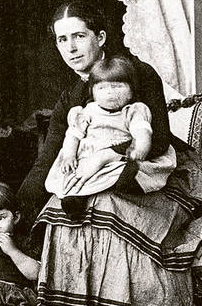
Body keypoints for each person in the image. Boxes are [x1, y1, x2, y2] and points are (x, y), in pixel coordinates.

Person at [19, 0, 202, 306]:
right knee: (59, 206)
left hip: (153, 170)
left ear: (101, 37)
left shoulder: (137, 73)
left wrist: (107, 155)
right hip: (101, 176)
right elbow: (51, 157)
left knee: (106, 205)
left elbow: (157, 139)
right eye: (62, 39)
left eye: (79, 36)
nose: (71, 48)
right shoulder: (72, 96)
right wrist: (22, 203)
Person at [43, 54, 174, 216]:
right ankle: (75, 198)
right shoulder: (87, 112)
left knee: (126, 170)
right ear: (93, 92)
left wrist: (141, 147)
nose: (110, 93)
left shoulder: (132, 111)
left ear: (131, 92)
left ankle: (127, 184)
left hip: (118, 156)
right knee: (74, 175)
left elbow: (142, 131)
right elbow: (73, 135)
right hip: (89, 154)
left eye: (117, 86)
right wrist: (69, 155)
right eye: (102, 88)